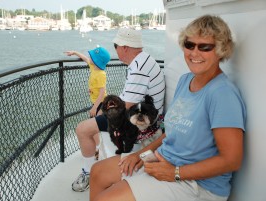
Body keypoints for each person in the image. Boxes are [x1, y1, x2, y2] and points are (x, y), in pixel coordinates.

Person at [89, 14, 246, 201]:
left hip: (196, 184)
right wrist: (140, 154)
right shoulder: (185, 80)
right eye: (189, 45)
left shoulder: (223, 94)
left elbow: (232, 160)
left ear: (220, 50)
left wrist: (175, 173)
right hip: (164, 160)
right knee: (98, 172)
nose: (194, 53)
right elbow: (171, 134)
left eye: (204, 47)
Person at [71, 28, 166, 192]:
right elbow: (128, 99)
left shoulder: (138, 67)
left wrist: (103, 110)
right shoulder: (143, 60)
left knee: (82, 129)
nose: (116, 49)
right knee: (95, 123)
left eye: (116, 46)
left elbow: (126, 106)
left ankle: (87, 173)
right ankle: (97, 159)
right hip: (145, 114)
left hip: (140, 121)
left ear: (125, 48)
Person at [65, 47, 111, 161]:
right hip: (96, 103)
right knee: (94, 127)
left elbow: (101, 93)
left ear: (96, 61)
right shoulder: (93, 67)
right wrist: (74, 51)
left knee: (95, 126)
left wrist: (95, 108)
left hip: (100, 103)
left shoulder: (101, 74)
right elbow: (85, 58)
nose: (89, 57)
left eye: (92, 57)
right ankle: (97, 147)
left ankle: (100, 149)